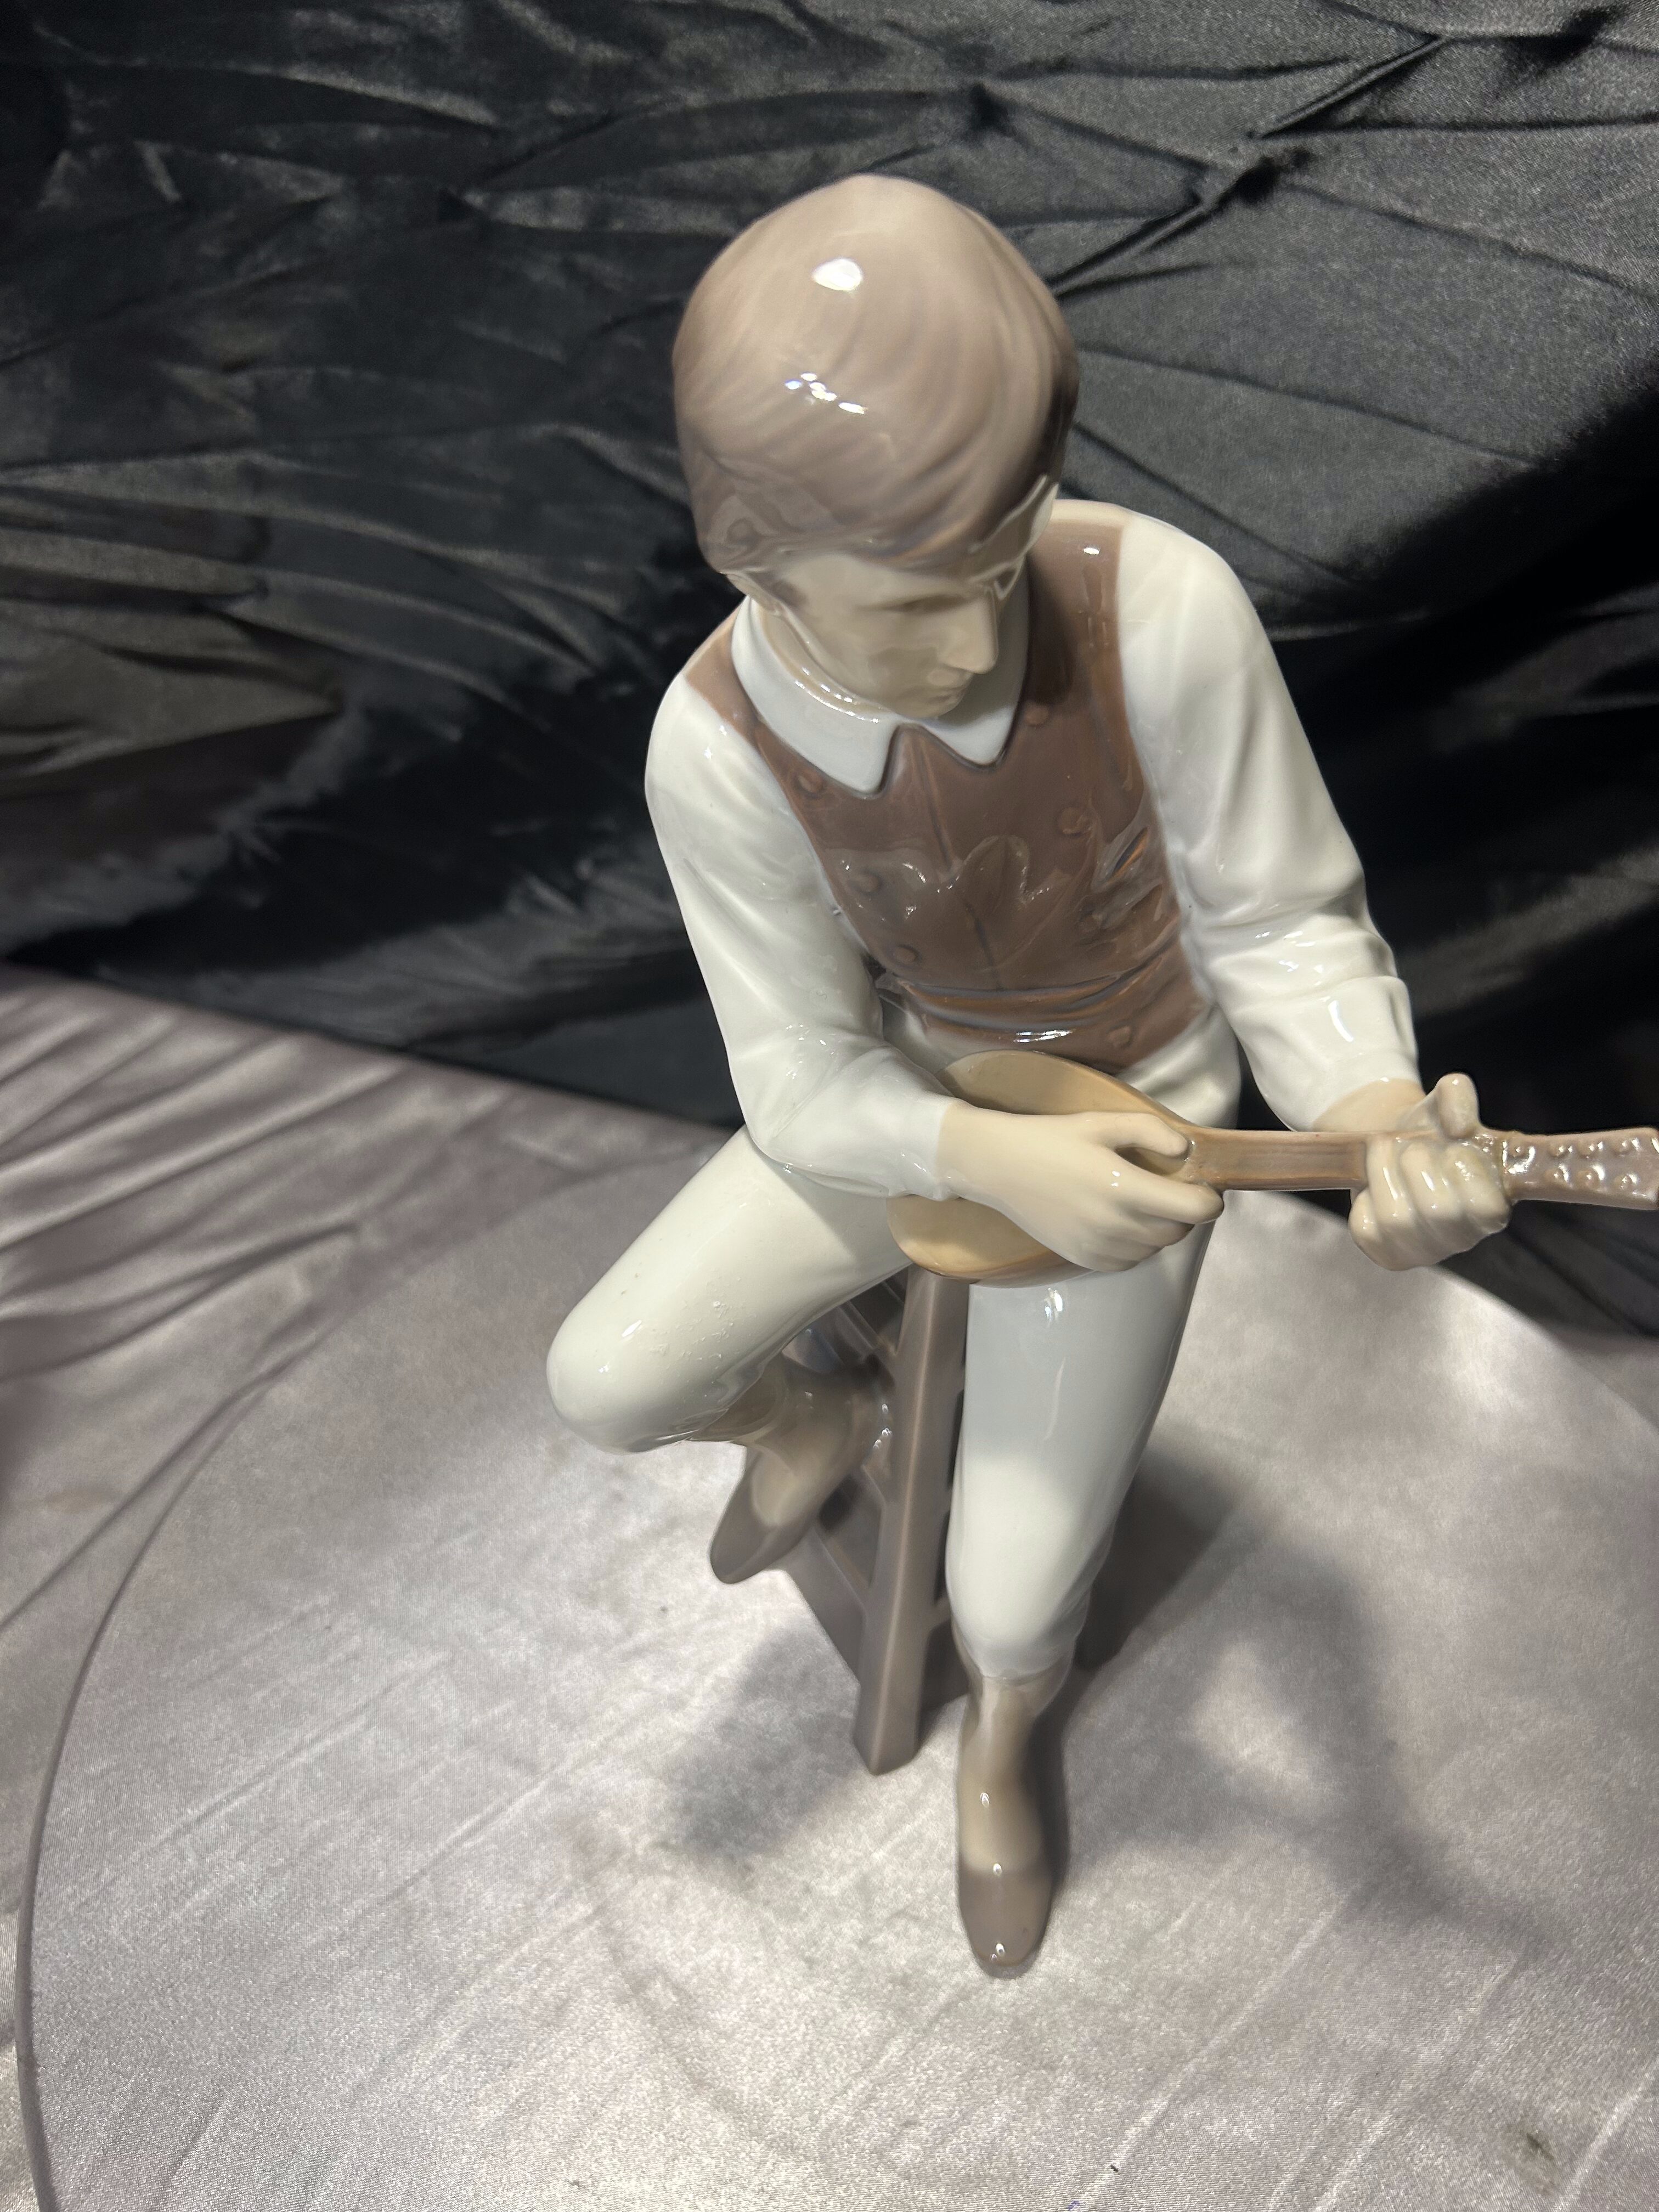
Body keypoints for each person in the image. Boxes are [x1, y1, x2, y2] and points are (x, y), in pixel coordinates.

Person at [547, 174, 1509, 1976]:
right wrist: (976, 1155)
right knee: (609, 1375)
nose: (981, 642)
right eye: (916, 602)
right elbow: (797, 1067)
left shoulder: (1163, 609)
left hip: (1147, 1111)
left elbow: (1281, 919)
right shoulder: (716, 748)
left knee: (1009, 1590)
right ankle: (803, 1421)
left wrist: (1371, 1120)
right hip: (911, 1098)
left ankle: (1005, 1726)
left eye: (1004, 565)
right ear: (755, 562)